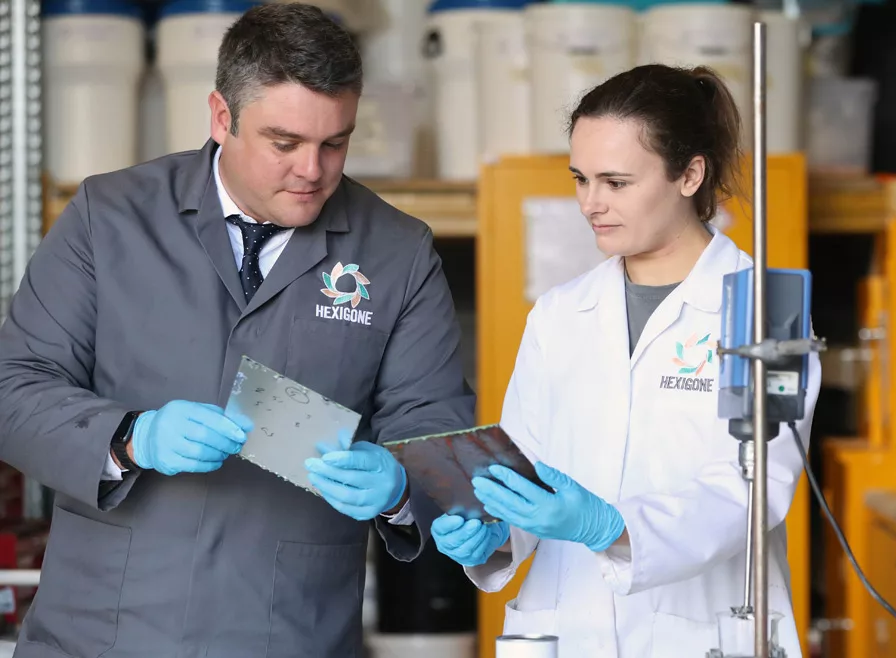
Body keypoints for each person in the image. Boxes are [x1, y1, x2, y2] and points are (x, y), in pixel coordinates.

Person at [0, 4, 473, 656]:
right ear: (222, 117)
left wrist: (398, 487)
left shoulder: (398, 252)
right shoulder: (109, 218)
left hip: (289, 633)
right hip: (101, 634)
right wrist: (128, 438)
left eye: (334, 143)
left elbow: (440, 437)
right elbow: (13, 388)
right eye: (285, 143)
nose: (313, 170)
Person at [429, 64, 822, 658]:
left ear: (690, 174)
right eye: (581, 179)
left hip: (705, 633)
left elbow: (752, 488)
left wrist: (612, 527)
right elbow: (524, 469)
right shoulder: (560, 315)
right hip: (566, 633)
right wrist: (493, 533)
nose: (591, 203)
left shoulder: (765, 313)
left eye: (616, 182)